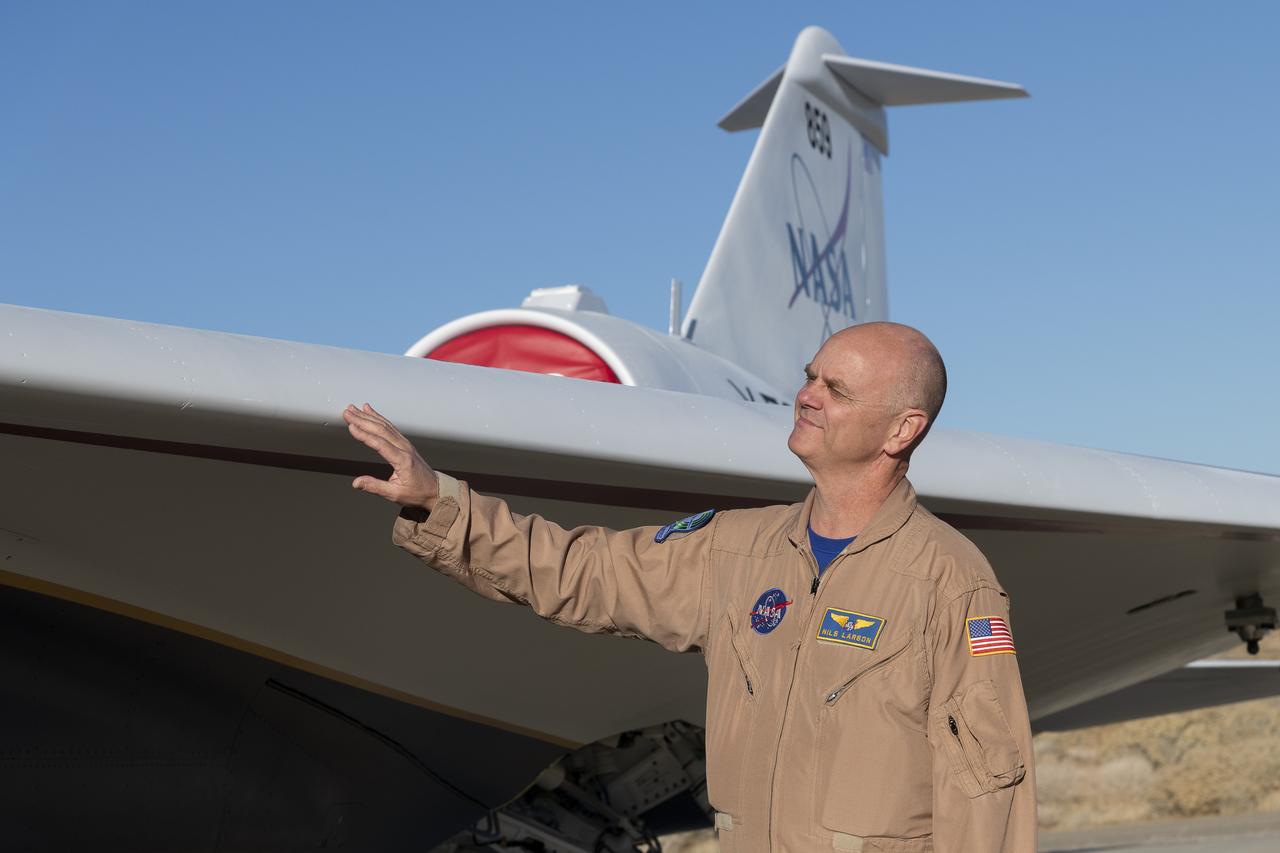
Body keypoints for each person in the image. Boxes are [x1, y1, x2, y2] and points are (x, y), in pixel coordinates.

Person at [344, 322, 1036, 853]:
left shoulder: (950, 582)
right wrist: (443, 503)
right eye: (811, 377)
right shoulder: (736, 549)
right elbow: (583, 571)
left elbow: (986, 790)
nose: (806, 396)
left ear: (902, 429)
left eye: (837, 390)